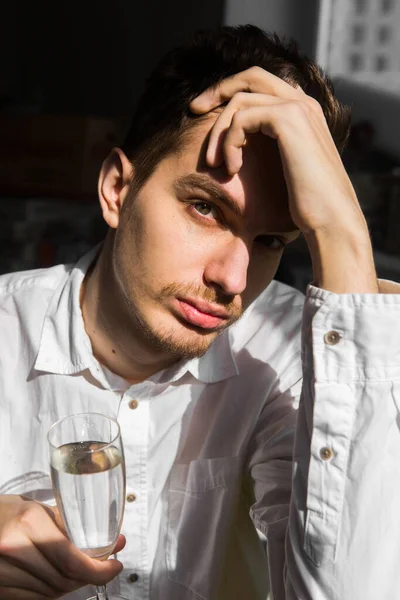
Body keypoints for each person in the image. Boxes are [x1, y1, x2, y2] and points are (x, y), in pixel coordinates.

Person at [0, 23, 399, 600]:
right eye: (206, 208)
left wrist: (341, 233)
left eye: (271, 242)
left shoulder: (292, 353)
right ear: (117, 189)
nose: (232, 281)